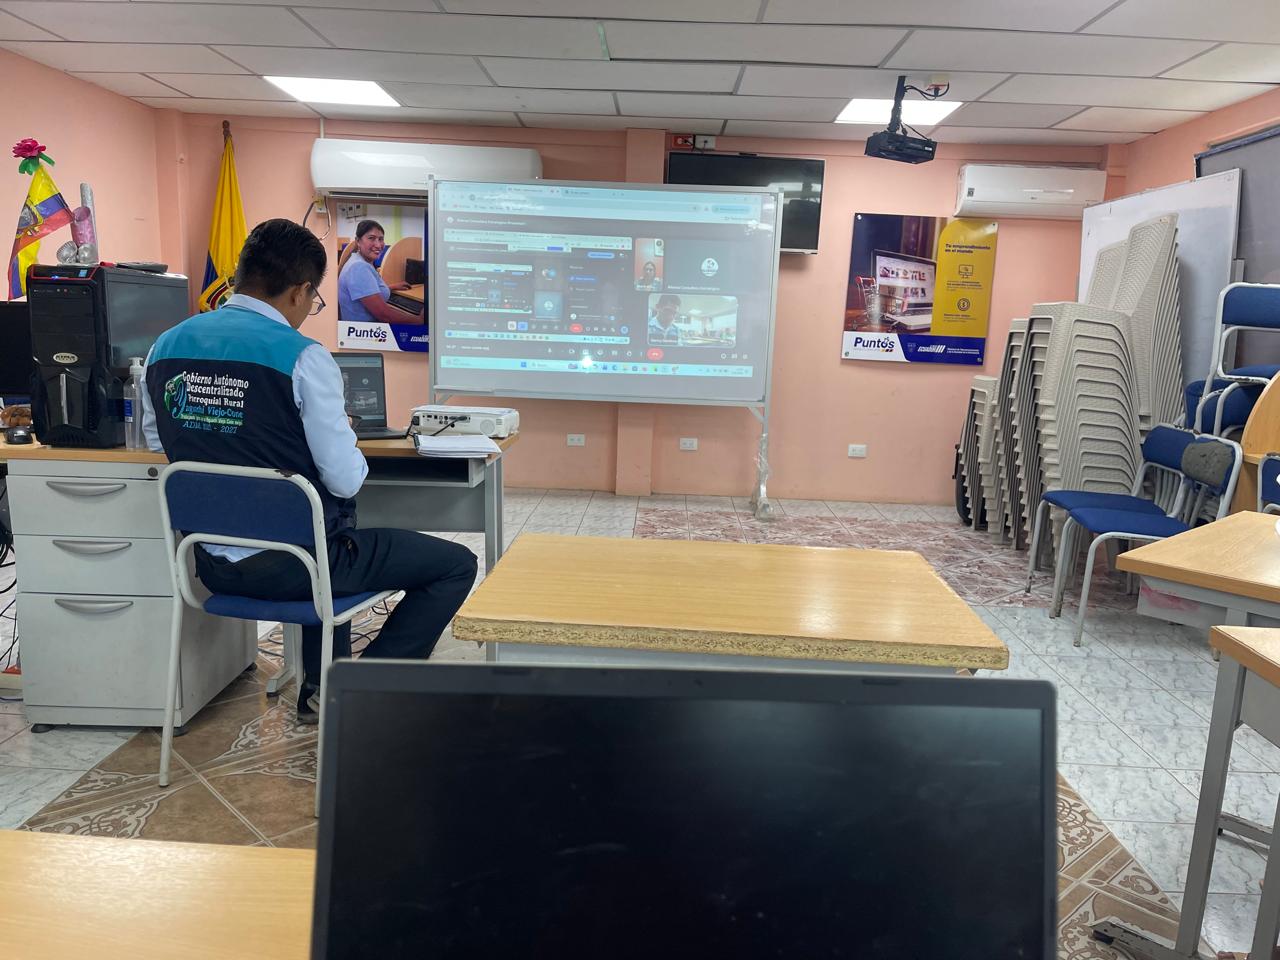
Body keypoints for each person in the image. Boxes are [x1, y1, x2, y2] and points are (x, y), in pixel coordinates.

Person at [140, 218, 476, 723]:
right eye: (313, 299)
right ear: (300, 291)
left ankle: (319, 689)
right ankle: (359, 691)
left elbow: (159, 444)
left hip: (209, 563)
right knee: (452, 564)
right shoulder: (303, 357)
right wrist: (341, 433)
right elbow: (346, 479)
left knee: (324, 538)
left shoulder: (164, 346)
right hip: (297, 566)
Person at [336, 219, 421, 322]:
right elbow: (384, 315)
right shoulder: (359, 267)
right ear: (358, 241)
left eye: (381, 239)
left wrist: (391, 287)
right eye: (371, 238)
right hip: (366, 330)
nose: (378, 245)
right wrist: (419, 320)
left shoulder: (356, 260)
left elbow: (365, 291)